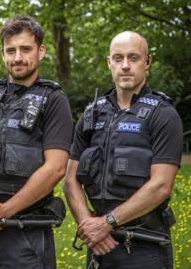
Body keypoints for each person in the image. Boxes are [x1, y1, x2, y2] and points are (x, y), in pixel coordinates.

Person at [0, 15, 73, 269]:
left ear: (41, 51)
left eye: (25, 49)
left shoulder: (53, 100)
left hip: (26, 235)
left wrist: (6, 210)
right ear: (3, 54)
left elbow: (56, 168)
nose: (18, 57)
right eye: (11, 50)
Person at [64, 31, 183, 269]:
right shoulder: (92, 114)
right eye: (118, 58)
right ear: (109, 63)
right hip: (99, 247)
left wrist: (107, 222)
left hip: (144, 248)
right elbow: (70, 180)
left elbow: (161, 186)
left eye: (134, 58)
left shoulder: (163, 115)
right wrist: (88, 225)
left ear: (147, 61)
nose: (125, 65)